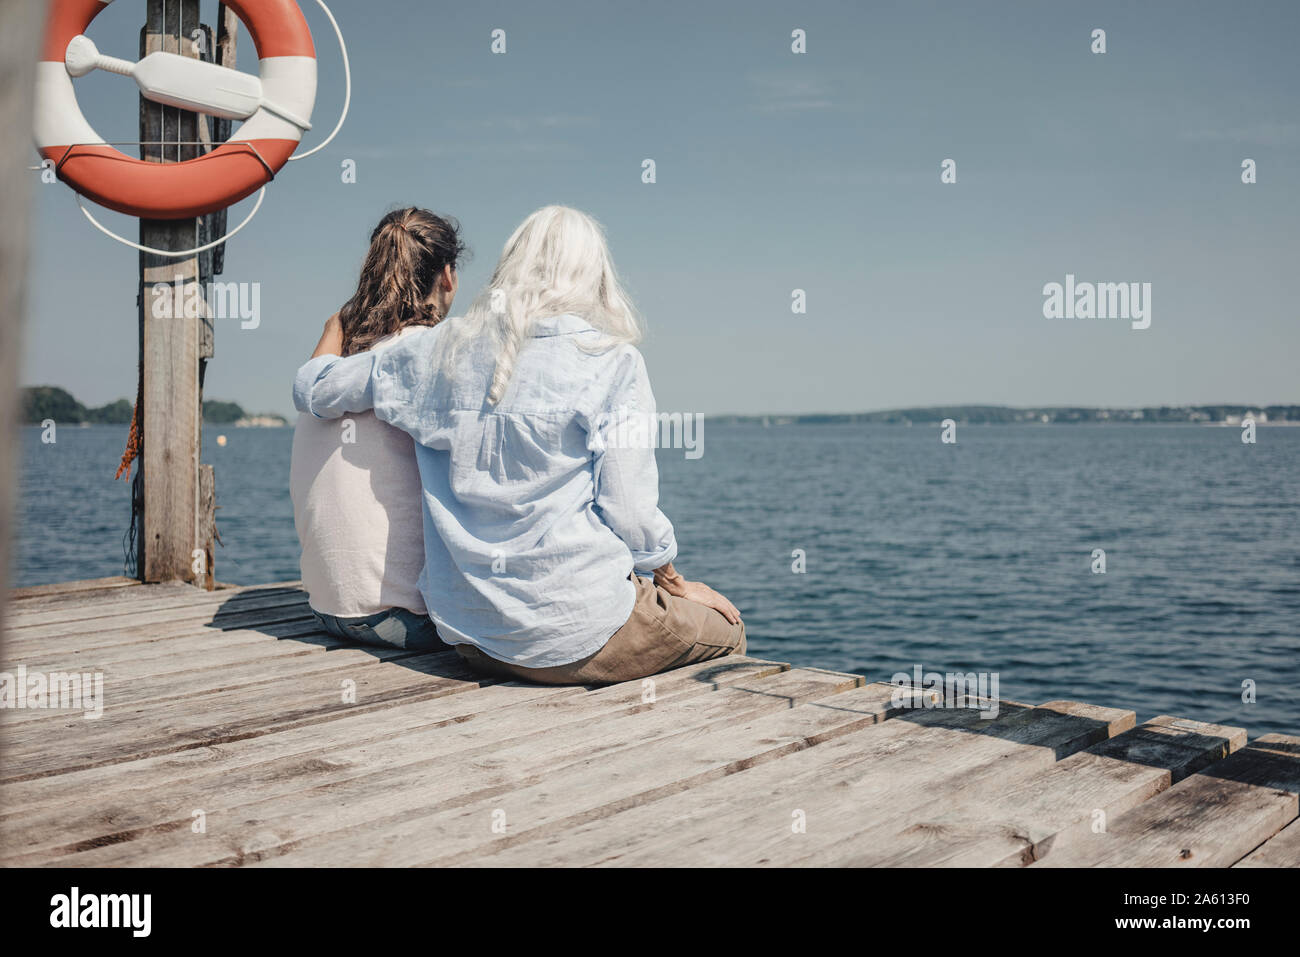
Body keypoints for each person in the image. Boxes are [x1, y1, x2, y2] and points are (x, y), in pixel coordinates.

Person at [294, 205, 744, 684]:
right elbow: (630, 512)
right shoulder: (613, 363)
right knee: (728, 630)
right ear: (594, 275)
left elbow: (314, 390)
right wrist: (673, 581)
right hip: (579, 634)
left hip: (470, 636)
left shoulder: (437, 349)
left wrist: (333, 328)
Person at [289, 207, 464, 652]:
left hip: (327, 611)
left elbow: (312, 381)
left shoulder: (332, 371)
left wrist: (336, 325)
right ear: (447, 275)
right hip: (404, 622)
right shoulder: (428, 355)